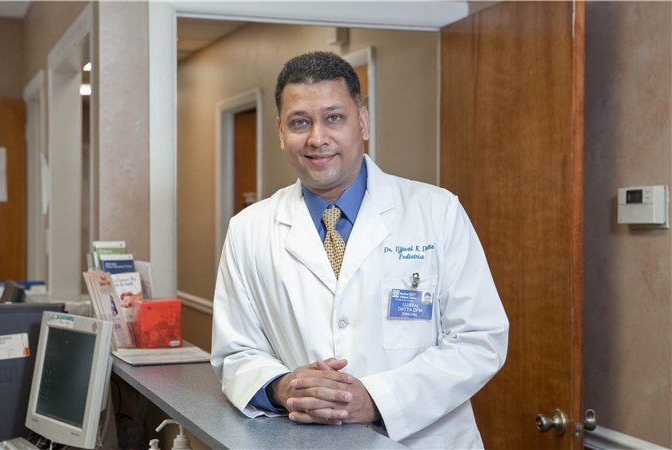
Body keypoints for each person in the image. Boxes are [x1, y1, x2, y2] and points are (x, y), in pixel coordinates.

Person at [211, 51, 509, 449]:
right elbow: (236, 352)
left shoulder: (437, 212)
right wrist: (285, 388)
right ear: (281, 132)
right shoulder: (248, 229)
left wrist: (377, 399)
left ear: (362, 121)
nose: (317, 138)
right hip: (305, 441)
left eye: (334, 117)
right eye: (300, 122)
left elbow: (479, 339)